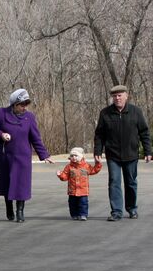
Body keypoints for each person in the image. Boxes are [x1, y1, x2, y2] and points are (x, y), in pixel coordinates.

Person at [0, 88, 54, 222]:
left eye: (26, 104)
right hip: (6, 156)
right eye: (21, 104)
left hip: (23, 157)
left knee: (21, 185)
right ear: (14, 104)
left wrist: (44, 154)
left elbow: (35, 138)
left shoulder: (30, 117)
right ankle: (9, 208)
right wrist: (1, 134)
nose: (24, 107)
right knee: (7, 184)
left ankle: (20, 211)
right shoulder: (2, 113)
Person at [93, 85, 152, 221]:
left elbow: (144, 132)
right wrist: (98, 150)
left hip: (131, 154)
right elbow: (99, 134)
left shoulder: (136, 112)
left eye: (120, 95)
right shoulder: (105, 113)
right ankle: (116, 212)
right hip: (112, 154)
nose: (117, 98)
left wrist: (148, 151)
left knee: (131, 182)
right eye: (115, 96)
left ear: (126, 96)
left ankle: (132, 209)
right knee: (114, 182)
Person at [56, 147, 102, 221]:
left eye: (76, 156)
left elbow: (94, 170)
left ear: (81, 156)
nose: (74, 158)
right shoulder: (69, 167)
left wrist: (98, 164)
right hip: (72, 191)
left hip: (83, 190)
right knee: (72, 204)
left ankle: (83, 214)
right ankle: (74, 214)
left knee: (83, 203)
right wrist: (60, 175)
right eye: (72, 156)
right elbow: (65, 177)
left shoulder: (86, 166)